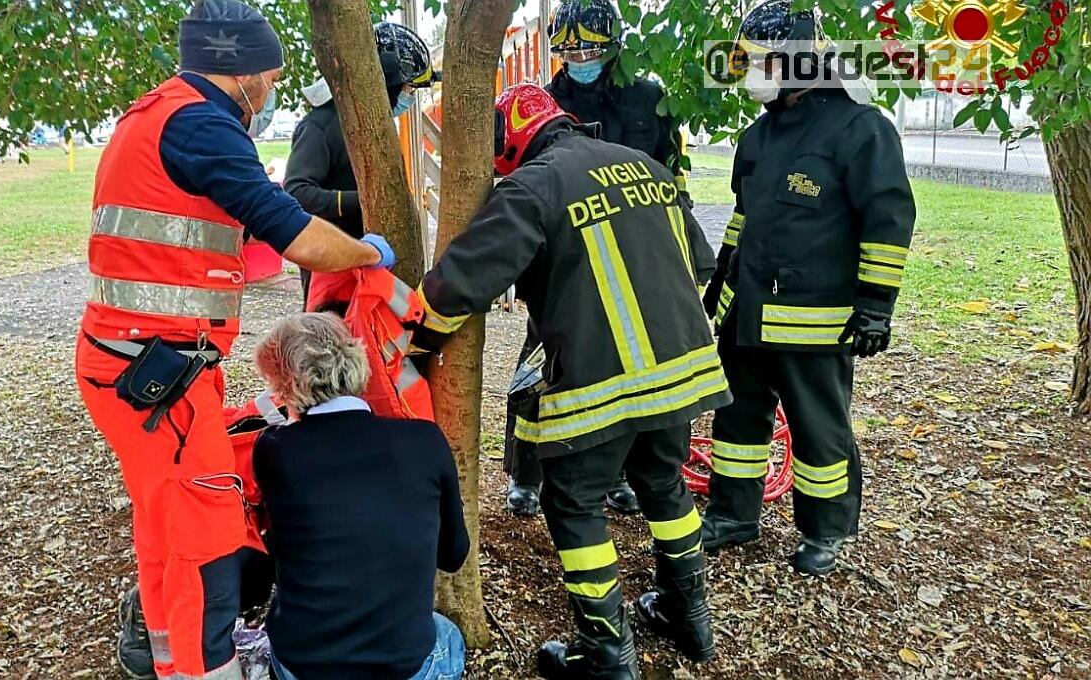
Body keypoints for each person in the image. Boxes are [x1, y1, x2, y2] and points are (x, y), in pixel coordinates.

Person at [73, 1, 396, 678]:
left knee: (165, 528)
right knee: (208, 540)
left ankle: (165, 659)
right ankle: (207, 669)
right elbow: (297, 234)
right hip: (156, 376)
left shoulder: (155, 115)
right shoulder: (202, 126)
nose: (271, 90)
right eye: (270, 77)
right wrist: (367, 254)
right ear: (241, 69)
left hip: (139, 364)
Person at [415, 84, 731, 679]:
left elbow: (459, 284)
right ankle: (690, 617)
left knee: (573, 502)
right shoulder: (647, 168)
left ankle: (606, 654)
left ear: (510, 142)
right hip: (681, 371)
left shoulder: (532, 187)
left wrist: (416, 343)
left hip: (600, 384)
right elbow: (702, 260)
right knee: (664, 483)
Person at [700, 0, 916, 576]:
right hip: (746, 315)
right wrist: (719, 287)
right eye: (749, 62)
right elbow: (743, 220)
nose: (753, 74)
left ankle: (825, 530)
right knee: (737, 422)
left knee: (819, 429)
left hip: (814, 320)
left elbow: (888, 222)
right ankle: (733, 514)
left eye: (763, 62)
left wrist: (876, 306)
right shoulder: (756, 137)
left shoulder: (861, 130)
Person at [499, 0, 694, 518]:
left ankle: (623, 475)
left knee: (634, 369)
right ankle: (526, 473)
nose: (579, 59)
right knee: (537, 367)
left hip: (635, 251)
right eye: (568, 51)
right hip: (566, 259)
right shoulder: (543, 101)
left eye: (589, 49)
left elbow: (674, 177)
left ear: (612, 46)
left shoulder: (649, 99)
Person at [251, 313, 469, 680]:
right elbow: (453, 555)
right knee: (446, 633)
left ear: (286, 386)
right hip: (403, 663)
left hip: (305, 664)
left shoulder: (275, 450)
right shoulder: (425, 440)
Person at [284, 21, 438, 306]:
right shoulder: (320, 126)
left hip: (370, 264)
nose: (408, 96)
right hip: (332, 268)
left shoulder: (375, 128)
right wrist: (364, 200)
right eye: (407, 88)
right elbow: (297, 193)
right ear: (388, 82)